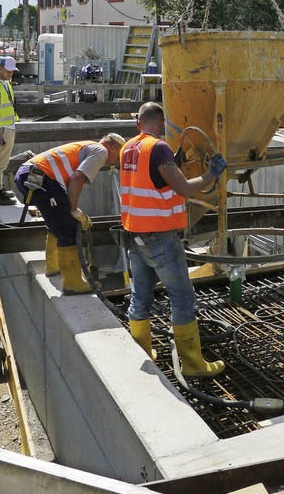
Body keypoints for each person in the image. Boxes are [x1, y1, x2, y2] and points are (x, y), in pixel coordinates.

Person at [120, 102, 226, 376]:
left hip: (134, 234)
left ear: (139, 124)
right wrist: (212, 173)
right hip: (159, 235)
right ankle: (192, 364)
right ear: (163, 122)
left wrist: (172, 163)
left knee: (140, 295)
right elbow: (184, 188)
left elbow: (152, 179)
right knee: (181, 297)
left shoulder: (128, 148)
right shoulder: (158, 149)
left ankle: (141, 351)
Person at [14, 133, 126, 294]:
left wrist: (71, 209)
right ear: (113, 147)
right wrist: (74, 211)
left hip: (32, 174)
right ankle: (72, 282)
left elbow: (72, 180)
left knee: (58, 221)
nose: (116, 161)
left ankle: (54, 266)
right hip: (41, 177)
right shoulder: (101, 151)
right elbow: (77, 178)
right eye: (118, 155)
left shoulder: (88, 145)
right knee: (68, 228)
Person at [0, 56, 19, 205]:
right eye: (8, 70)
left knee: (1, 161)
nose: (10, 74)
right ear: (0, 68)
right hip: (1, 129)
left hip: (7, 127)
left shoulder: (5, 84)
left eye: (12, 71)